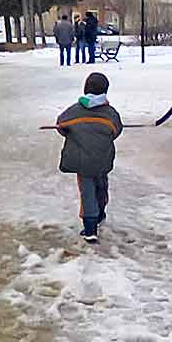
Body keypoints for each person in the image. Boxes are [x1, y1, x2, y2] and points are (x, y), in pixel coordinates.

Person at [55, 72, 123, 244]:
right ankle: (101, 213)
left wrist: (76, 134)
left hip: (82, 161)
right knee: (101, 186)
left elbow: (61, 125)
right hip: (102, 160)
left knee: (87, 191)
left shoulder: (74, 111)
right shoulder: (110, 113)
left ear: (85, 89)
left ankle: (90, 227)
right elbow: (116, 131)